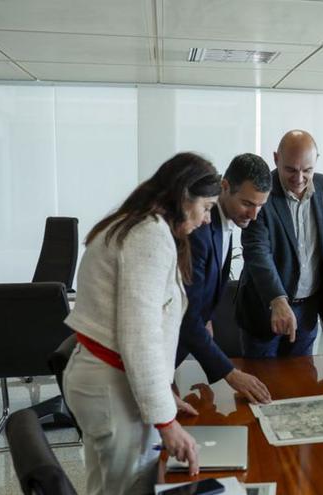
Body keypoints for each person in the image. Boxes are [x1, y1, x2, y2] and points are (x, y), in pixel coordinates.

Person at [62, 152, 221, 493]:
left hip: (103, 380)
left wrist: (162, 395)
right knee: (126, 487)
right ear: (183, 197)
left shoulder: (136, 224)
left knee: (105, 485)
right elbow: (140, 335)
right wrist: (166, 422)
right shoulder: (149, 235)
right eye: (206, 207)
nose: (208, 219)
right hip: (111, 386)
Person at [236, 130, 323, 357]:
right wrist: (277, 300)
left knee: (302, 383)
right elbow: (257, 251)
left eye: (307, 170)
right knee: (262, 384)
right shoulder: (261, 190)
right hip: (265, 310)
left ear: (316, 161)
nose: (299, 178)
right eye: (290, 169)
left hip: (307, 311)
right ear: (276, 158)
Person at [175, 153, 273, 403]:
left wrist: (205, 315)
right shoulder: (200, 228)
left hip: (179, 346)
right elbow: (185, 316)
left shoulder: (226, 221)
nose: (254, 214)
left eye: (260, 206)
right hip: (160, 349)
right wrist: (230, 373)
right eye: (247, 203)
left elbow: (201, 292)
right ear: (225, 186)